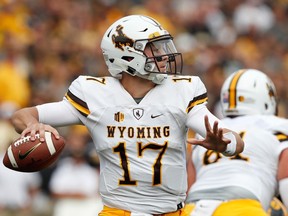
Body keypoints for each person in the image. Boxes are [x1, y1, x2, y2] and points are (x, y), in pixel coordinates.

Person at [10, 15, 244, 216]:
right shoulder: (94, 93)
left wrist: (227, 144)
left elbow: (232, 138)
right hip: (118, 211)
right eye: (154, 48)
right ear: (126, 55)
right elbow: (21, 115)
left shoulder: (182, 90)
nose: (163, 55)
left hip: (172, 212)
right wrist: (33, 125)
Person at [185, 69, 288, 216]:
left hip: (193, 208)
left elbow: (188, 188)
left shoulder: (210, 131)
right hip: (241, 206)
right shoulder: (278, 127)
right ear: (266, 99)